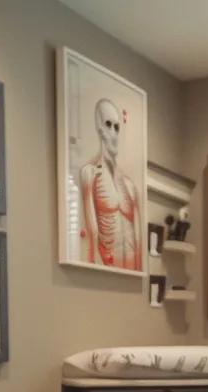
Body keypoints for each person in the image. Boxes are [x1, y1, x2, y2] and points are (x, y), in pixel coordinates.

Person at [76, 99, 141, 271]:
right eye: (108, 125)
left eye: (117, 127)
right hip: (107, 267)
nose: (114, 133)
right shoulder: (89, 174)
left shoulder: (130, 186)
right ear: (100, 130)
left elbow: (138, 241)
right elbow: (92, 235)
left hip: (131, 275)